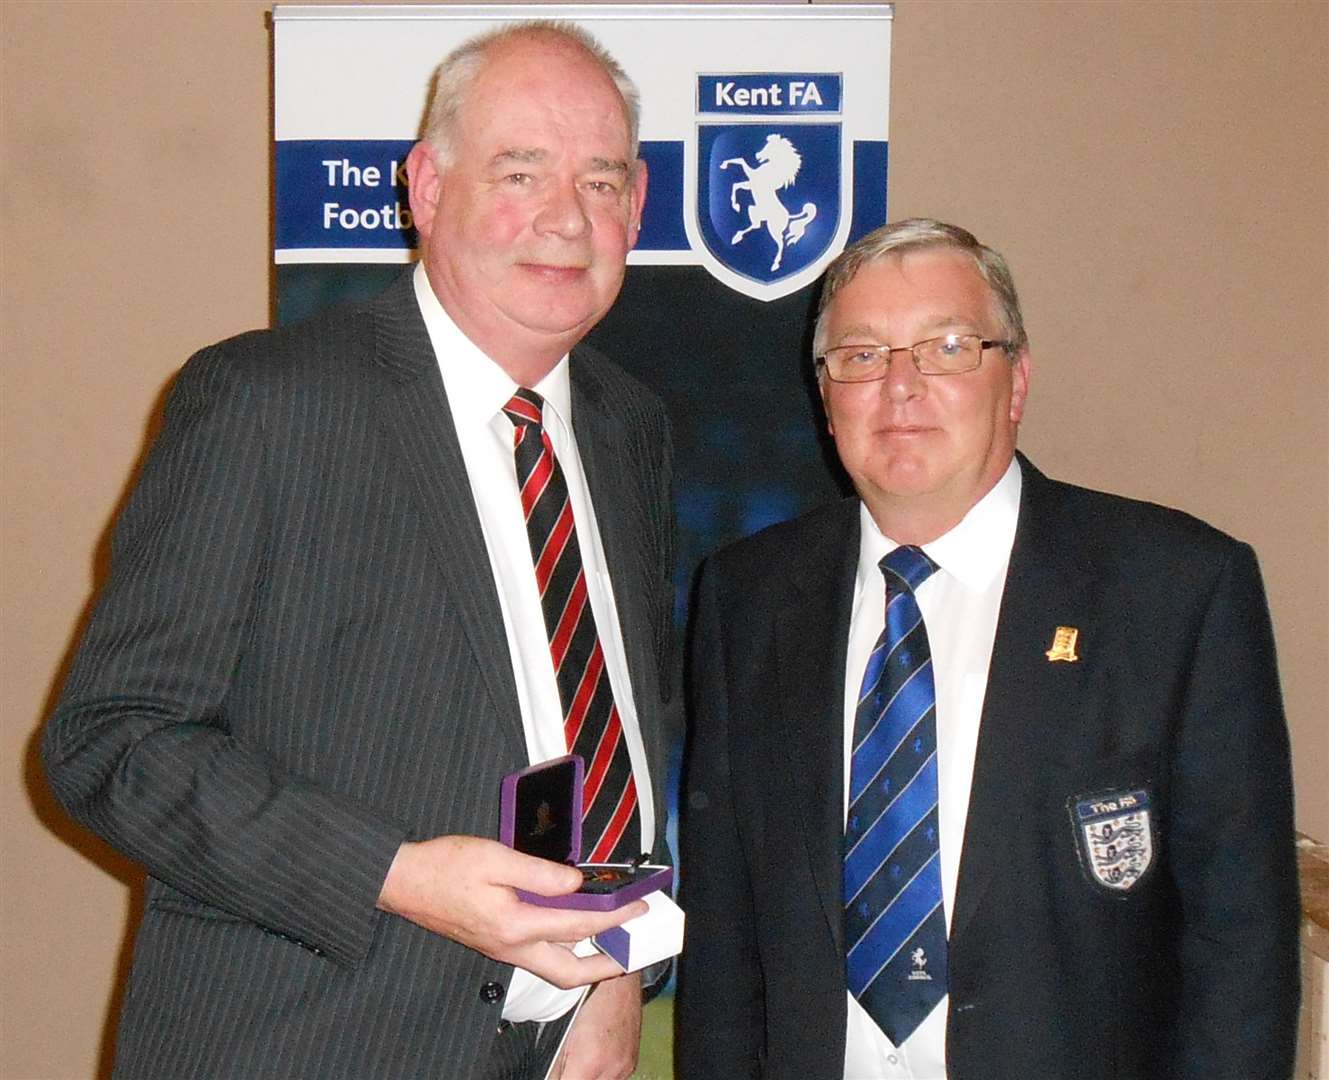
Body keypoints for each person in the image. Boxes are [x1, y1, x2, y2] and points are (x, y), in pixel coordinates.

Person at [44, 21, 674, 1080]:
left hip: (557, 1050)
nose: (567, 218)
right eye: (521, 171)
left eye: (602, 182)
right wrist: (397, 874)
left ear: (638, 206)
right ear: (427, 188)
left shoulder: (630, 427)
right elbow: (111, 742)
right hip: (304, 1046)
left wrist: (613, 974)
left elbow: (614, 738)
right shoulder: (264, 402)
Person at [675, 218, 1299, 1080]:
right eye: (861, 356)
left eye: (947, 347)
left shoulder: (1176, 590)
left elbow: (1241, 944)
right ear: (824, 400)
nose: (900, 387)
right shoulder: (744, 599)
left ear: (1016, 381)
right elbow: (723, 929)